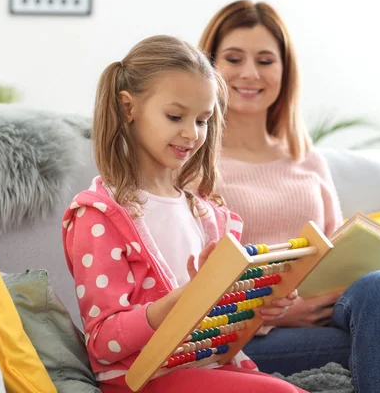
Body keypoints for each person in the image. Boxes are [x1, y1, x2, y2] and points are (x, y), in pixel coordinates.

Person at [199, 0, 380, 393]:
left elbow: (335, 244)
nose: (250, 73)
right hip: (248, 333)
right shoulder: (195, 159)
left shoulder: (309, 160)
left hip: (329, 311)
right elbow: (190, 276)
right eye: (234, 58)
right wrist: (281, 311)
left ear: (285, 72)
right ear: (209, 67)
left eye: (266, 60)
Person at [61, 35, 305, 393]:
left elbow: (222, 322)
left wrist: (259, 306)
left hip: (209, 367)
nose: (192, 133)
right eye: (175, 116)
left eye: (203, 120)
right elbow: (103, 340)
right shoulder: (99, 216)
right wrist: (182, 301)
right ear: (128, 108)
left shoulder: (207, 213)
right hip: (142, 379)